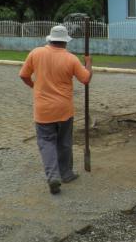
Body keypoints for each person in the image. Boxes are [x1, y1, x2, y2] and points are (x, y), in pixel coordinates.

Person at [19, 25, 92, 195]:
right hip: (64, 110)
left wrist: (35, 86)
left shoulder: (35, 53)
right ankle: (66, 174)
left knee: (46, 143)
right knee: (64, 142)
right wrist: (88, 63)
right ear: (65, 42)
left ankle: (53, 176)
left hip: (43, 110)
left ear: (50, 39)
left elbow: (23, 75)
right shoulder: (71, 59)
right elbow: (86, 79)